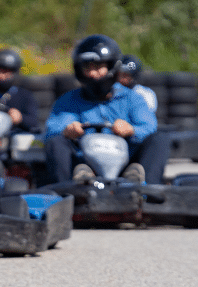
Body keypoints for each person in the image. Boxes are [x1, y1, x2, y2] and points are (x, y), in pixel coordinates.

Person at [43, 34, 169, 185]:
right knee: (56, 142)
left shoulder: (132, 99)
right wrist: (68, 130)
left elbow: (149, 126)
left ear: (112, 67)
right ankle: (70, 189)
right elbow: (54, 128)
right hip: (83, 162)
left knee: (160, 139)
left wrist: (131, 130)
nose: (93, 73)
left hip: (126, 160)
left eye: (98, 67)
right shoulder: (68, 101)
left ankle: (146, 189)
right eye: (87, 68)